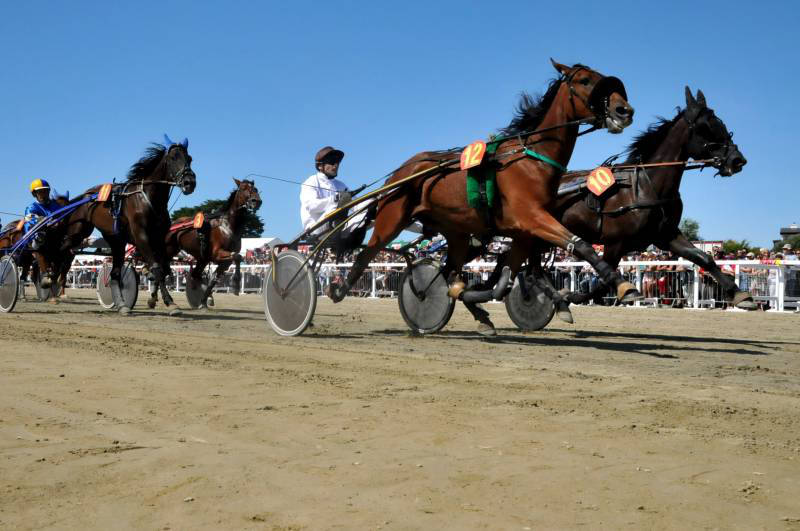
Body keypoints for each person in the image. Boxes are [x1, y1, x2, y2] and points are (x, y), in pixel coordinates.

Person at [24, 179, 60, 248]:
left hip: (55, 229)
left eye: (45, 191)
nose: (44, 194)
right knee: (36, 230)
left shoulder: (55, 205)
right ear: (34, 194)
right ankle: (35, 241)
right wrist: (43, 221)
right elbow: (31, 220)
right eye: (40, 192)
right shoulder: (31, 207)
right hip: (40, 230)